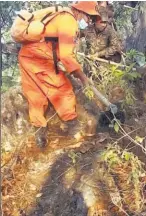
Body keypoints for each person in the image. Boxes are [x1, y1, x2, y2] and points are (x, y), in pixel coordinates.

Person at [18, 1, 101, 148]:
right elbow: (66, 56)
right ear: (81, 12)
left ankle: (40, 136)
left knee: (36, 96)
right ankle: (74, 129)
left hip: (26, 57)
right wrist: (83, 78)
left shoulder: (60, 16)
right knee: (63, 91)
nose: (89, 22)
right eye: (89, 18)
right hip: (40, 59)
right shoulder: (69, 21)